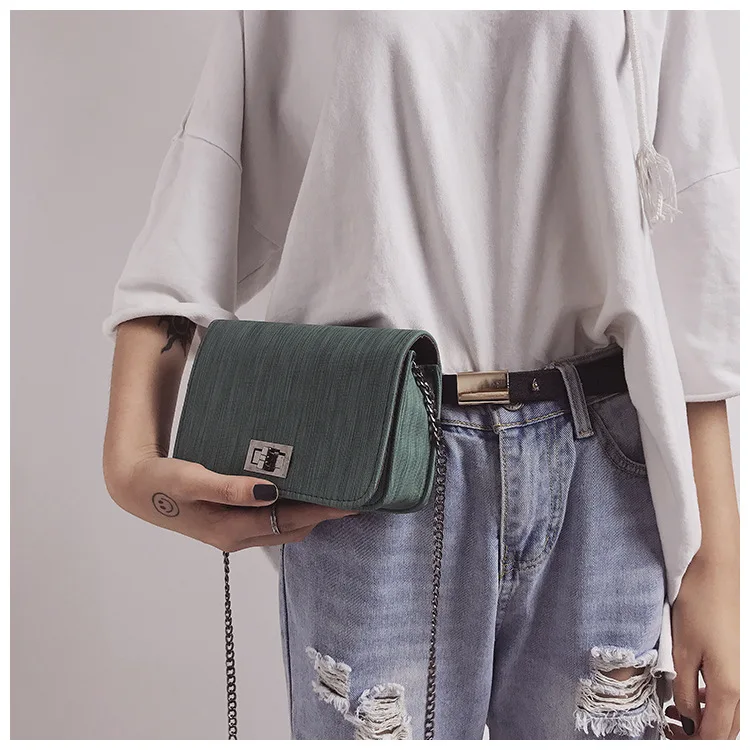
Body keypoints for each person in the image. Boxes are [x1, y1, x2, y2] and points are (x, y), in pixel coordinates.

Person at [102, 10, 739, 740]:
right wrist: (129, 455)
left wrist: (715, 566)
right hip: (377, 466)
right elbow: (208, 180)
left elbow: (691, 240)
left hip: (602, 475)